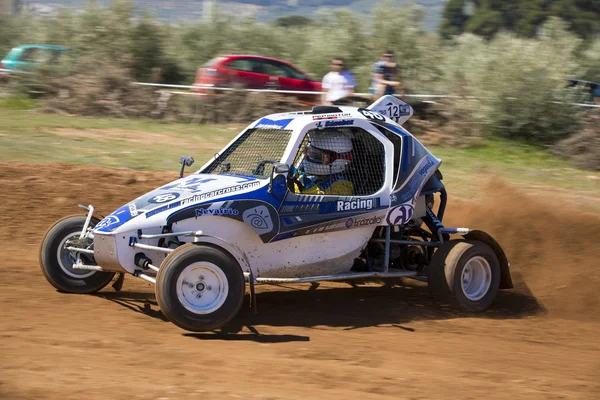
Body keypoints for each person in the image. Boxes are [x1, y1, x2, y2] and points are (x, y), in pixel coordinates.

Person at [293, 130, 354, 196]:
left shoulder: (342, 187)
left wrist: (293, 188)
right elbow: (299, 176)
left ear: (338, 159)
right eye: (311, 153)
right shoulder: (318, 176)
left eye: (317, 156)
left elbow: (313, 200)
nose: (312, 157)